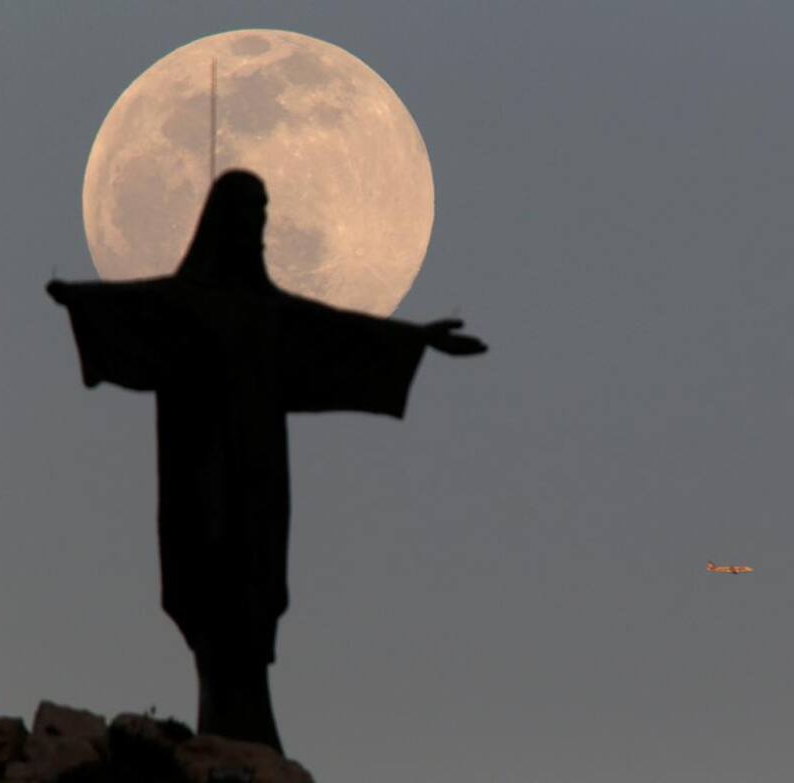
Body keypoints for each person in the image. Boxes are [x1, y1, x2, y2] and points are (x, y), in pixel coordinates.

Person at [48, 170, 485, 751]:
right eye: (251, 215)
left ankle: (247, 722)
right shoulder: (185, 304)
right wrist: (80, 301)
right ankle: (221, 718)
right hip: (199, 476)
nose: (258, 227)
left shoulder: (269, 313)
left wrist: (417, 338)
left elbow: (333, 334)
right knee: (208, 587)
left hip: (258, 481)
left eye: (264, 214)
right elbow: (138, 305)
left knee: (253, 594)